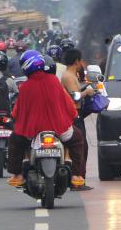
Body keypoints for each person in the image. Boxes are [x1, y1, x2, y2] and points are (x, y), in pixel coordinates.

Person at [7, 50, 87, 188]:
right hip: (60, 129)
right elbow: (68, 104)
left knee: (15, 141)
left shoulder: (25, 87)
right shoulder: (54, 81)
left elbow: (16, 112)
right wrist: (73, 116)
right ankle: (76, 175)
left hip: (31, 132)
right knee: (78, 139)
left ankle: (17, 175)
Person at [61, 49, 95, 191]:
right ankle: (77, 180)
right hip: (74, 114)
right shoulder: (68, 76)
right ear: (77, 61)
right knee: (80, 147)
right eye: (80, 61)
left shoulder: (71, 75)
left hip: (77, 114)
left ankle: (79, 179)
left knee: (82, 147)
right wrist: (87, 92)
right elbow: (74, 97)